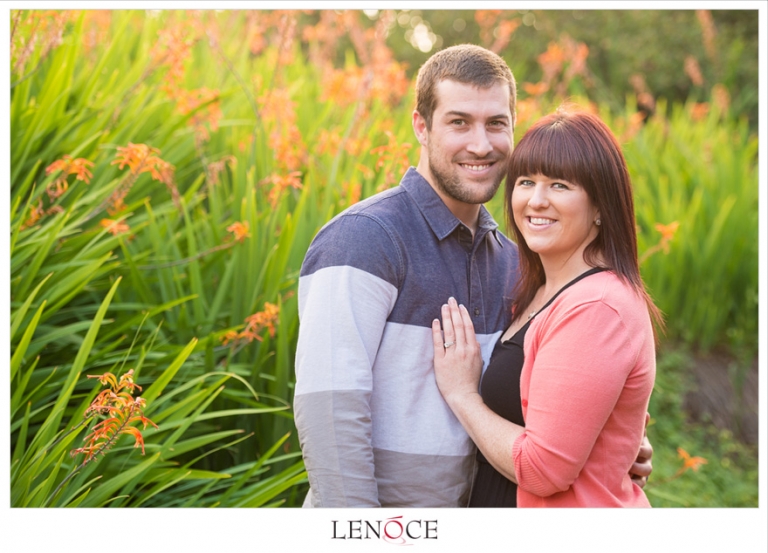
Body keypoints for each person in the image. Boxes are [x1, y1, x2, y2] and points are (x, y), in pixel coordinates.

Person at [294, 44, 652, 508]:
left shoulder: (516, 265)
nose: (481, 145)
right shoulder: (364, 239)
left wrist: (610, 443)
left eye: (496, 124)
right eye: (459, 122)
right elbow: (330, 412)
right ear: (421, 126)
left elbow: (541, 400)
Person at [432, 107, 662, 507]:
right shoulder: (537, 291)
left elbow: (543, 469)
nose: (536, 201)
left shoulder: (597, 307)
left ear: (601, 206)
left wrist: (462, 394)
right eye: (525, 181)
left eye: (559, 185)